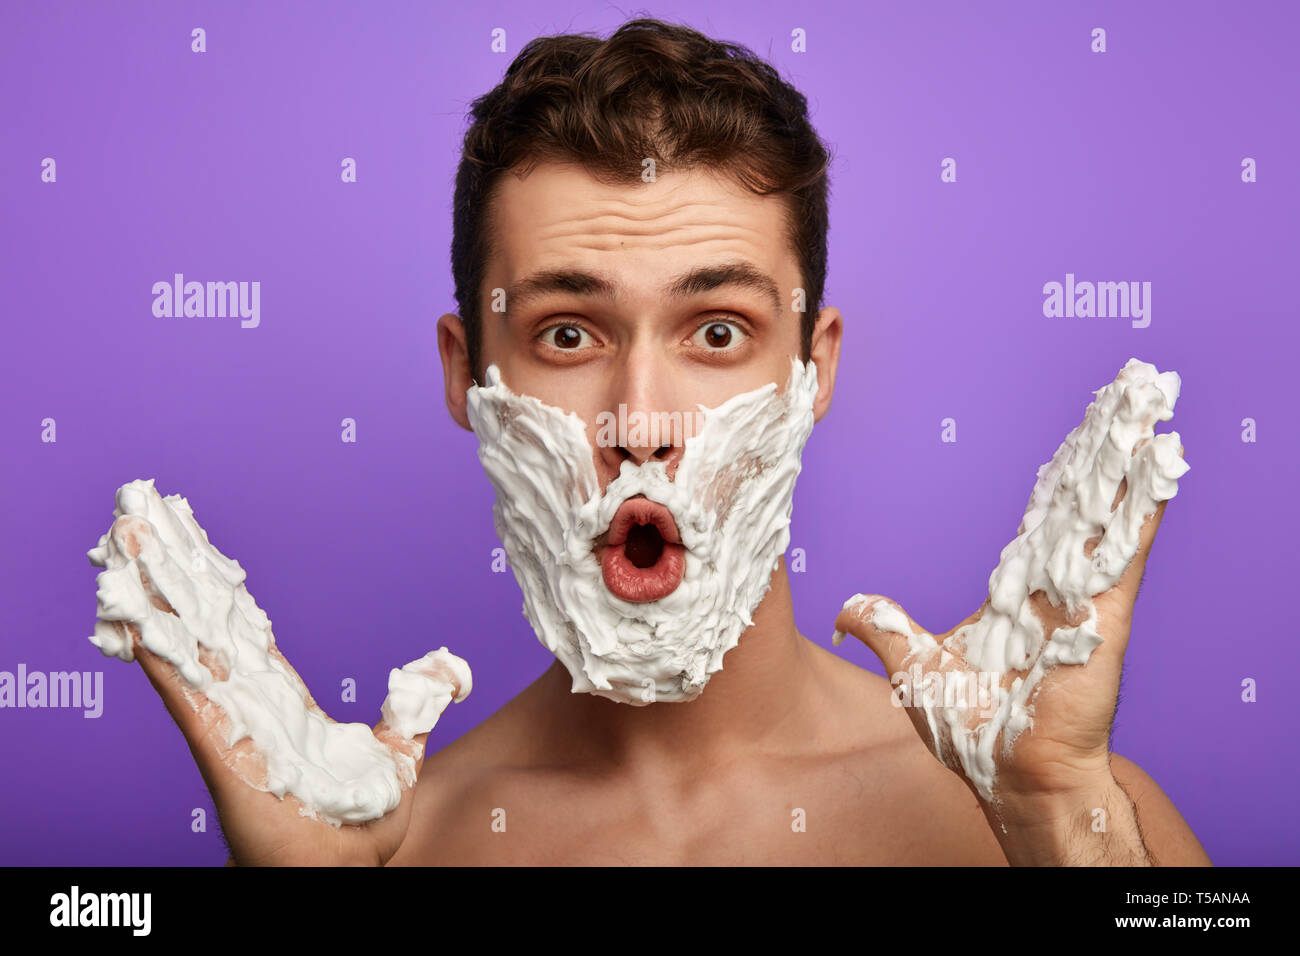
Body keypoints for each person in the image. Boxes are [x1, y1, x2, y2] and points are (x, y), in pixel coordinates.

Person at [116, 17, 1211, 866]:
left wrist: (1063, 822)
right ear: (468, 372)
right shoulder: (398, 845)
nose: (640, 422)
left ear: (811, 368)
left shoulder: (1060, 808)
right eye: (567, 331)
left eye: (717, 330)